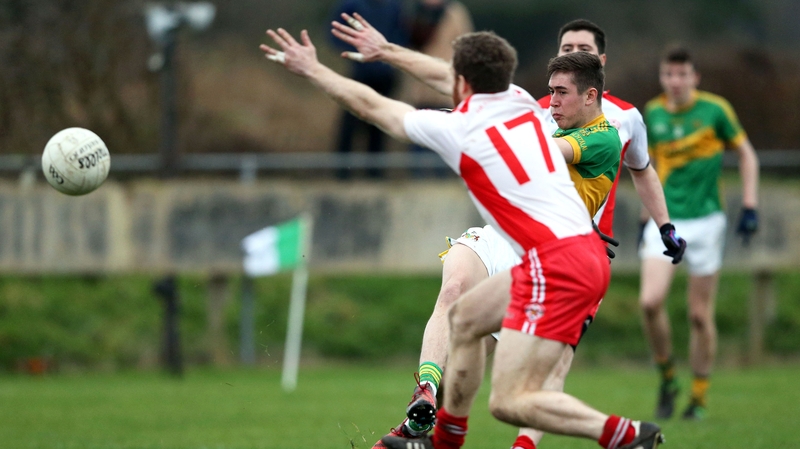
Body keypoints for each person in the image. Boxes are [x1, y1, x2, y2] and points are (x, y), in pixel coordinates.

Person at [261, 26, 665, 449]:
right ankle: (445, 439)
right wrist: (390, 52)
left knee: (511, 402)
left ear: (461, 83)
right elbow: (444, 75)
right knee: (465, 319)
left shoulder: (461, 130)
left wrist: (312, 70)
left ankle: (627, 435)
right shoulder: (523, 104)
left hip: (560, 262)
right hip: (561, 255)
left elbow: (372, 106)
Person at [639, 46, 760, 421]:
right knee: (649, 302)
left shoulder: (716, 110)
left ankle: (699, 398)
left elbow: (747, 155)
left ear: (695, 77)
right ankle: (668, 378)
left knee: (698, 316)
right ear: (662, 78)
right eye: (668, 75)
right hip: (667, 223)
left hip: (708, 221)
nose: (675, 81)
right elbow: (648, 165)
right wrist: (648, 214)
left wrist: (750, 205)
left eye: (682, 74)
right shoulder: (652, 113)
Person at [329, 0, 406, 179]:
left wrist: (390, 55)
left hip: (385, 74)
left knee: (380, 123)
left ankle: (375, 174)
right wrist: (355, 49)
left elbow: (402, 34)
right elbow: (333, 32)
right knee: (350, 122)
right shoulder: (351, 5)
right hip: (359, 72)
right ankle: (342, 173)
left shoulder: (395, 6)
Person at [405, 0, 473, 177]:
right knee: (421, 141)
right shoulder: (414, 12)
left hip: (445, 91)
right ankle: (419, 181)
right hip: (422, 90)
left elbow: (466, 46)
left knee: (444, 143)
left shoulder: (453, 12)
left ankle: (442, 180)